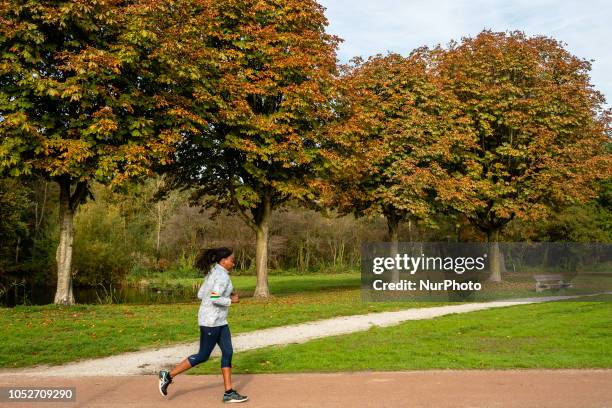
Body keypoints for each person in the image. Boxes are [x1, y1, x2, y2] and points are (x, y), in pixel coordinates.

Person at [158, 247, 248, 403]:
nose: (234, 263)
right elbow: (214, 297)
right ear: (224, 260)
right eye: (232, 261)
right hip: (211, 322)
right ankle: (168, 376)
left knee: (228, 352)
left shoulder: (213, 272)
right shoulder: (221, 277)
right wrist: (231, 300)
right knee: (203, 356)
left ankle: (229, 393)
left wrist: (225, 295)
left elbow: (201, 294)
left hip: (220, 321)